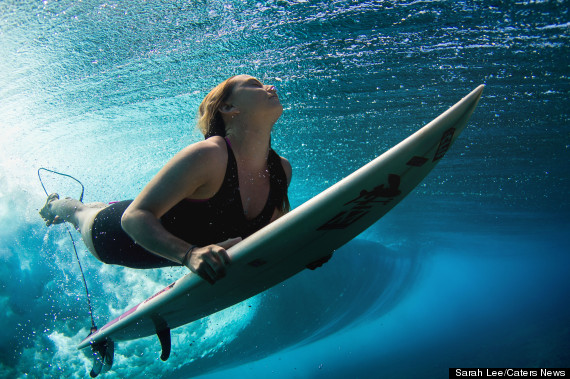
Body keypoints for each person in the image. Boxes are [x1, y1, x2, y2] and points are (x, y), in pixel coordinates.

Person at [39, 75, 292, 284]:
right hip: (113, 235)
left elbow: (269, 235)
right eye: (255, 85)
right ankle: (56, 205)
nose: (270, 86)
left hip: (156, 211)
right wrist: (189, 255)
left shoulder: (281, 171)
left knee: (110, 206)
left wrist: (304, 250)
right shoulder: (210, 156)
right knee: (81, 213)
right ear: (228, 107)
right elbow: (133, 217)